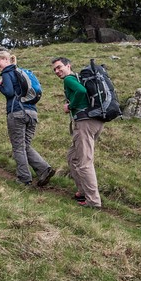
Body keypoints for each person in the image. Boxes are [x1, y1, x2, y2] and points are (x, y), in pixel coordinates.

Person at [0, 51, 55, 185]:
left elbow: (10, 92)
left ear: (6, 59)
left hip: (17, 112)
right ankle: (44, 169)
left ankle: (24, 178)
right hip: (32, 113)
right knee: (25, 145)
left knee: (18, 147)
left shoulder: (7, 73)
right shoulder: (22, 71)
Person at [51, 56, 104, 208]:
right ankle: (82, 191)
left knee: (84, 162)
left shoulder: (69, 79)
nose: (57, 71)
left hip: (85, 123)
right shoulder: (77, 78)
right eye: (55, 69)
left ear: (68, 65)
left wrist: (70, 105)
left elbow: (81, 91)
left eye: (59, 67)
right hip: (94, 121)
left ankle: (93, 201)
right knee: (72, 158)